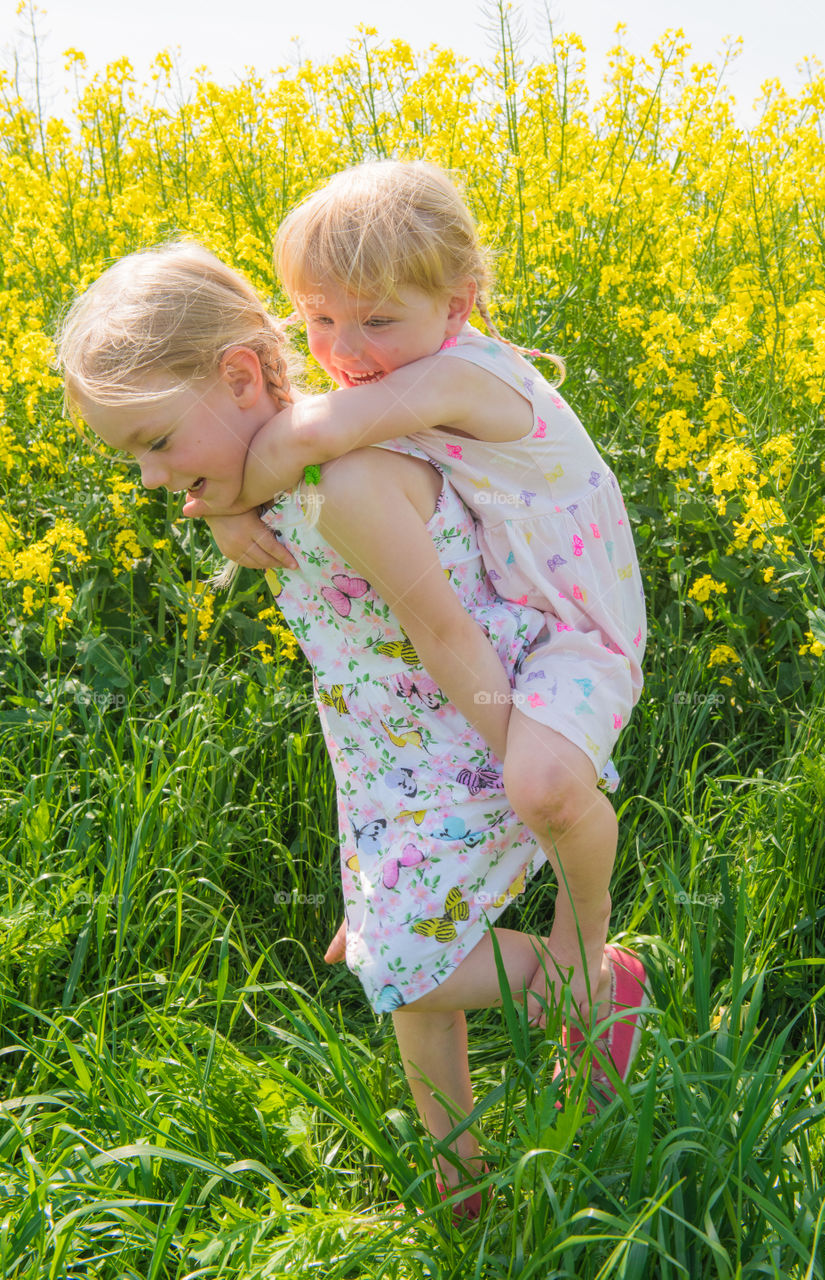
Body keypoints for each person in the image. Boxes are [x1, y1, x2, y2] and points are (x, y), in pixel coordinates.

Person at [57, 241, 647, 1218]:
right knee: (409, 980)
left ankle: (578, 979)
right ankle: (464, 1186)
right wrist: (222, 513)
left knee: (406, 966)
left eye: (158, 441)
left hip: (463, 720)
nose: (158, 477)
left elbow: (445, 628)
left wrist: (513, 762)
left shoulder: (352, 485)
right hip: (378, 746)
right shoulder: (267, 487)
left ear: (240, 374)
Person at [182, 159, 647, 1049]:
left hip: (577, 630)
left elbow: (313, 436)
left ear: (458, 306)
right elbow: (317, 449)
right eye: (317, 319)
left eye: (377, 320)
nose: (344, 350)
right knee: (503, 797)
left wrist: (222, 503)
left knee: (543, 783)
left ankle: (587, 954)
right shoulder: (395, 370)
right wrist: (233, 505)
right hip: (513, 614)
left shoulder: (463, 378)